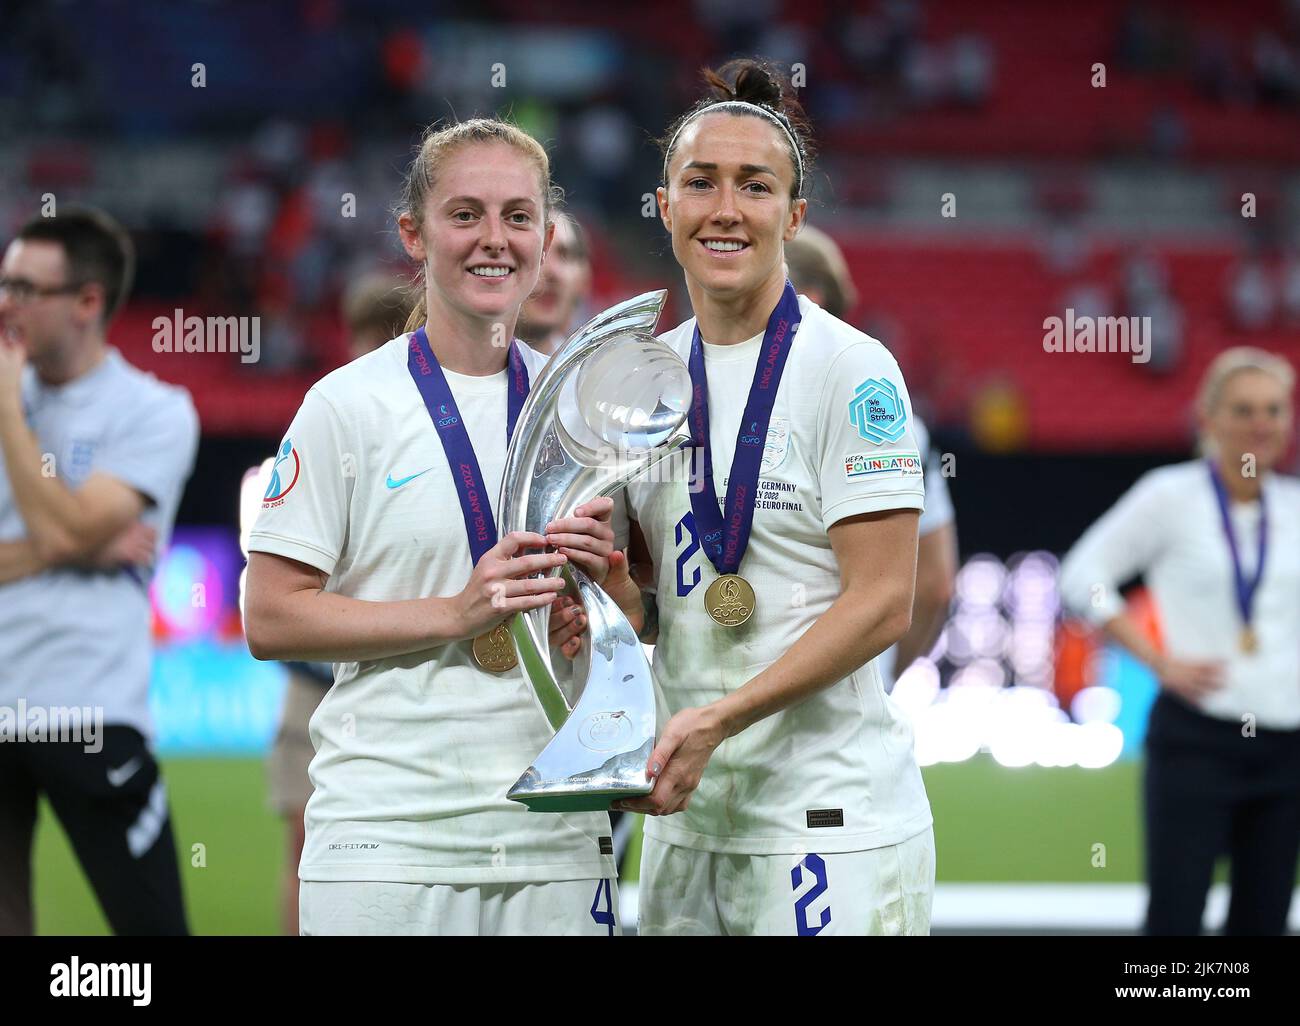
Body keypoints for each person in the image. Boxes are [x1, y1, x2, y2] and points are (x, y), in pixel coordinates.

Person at [243, 118, 620, 936]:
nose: (495, 240)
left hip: (552, 831)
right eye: (466, 214)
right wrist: (457, 612)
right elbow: (269, 617)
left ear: (545, 235)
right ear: (414, 234)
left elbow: (626, 614)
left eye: (519, 217)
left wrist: (602, 600)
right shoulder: (346, 406)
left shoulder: (586, 408)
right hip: (390, 834)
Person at [604, 59, 935, 935]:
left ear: (793, 215)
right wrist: (609, 597)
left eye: (755, 187)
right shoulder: (643, 379)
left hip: (827, 820)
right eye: (700, 183)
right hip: (685, 822)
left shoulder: (851, 369)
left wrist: (720, 719)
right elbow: (657, 605)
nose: (725, 209)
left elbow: (882, 602)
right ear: (665, 205)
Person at [0, 207, 199, 935]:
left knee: (150, 943)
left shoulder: (155, 410)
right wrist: (82, 542)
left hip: (90, 714)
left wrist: (7, 409)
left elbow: (60, 526)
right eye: (3, 282)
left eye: (25, 288)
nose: (5, 303)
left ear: (87, 302)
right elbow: (72, 532)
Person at [1060, 347, 1300, 936]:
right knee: (1174, 923)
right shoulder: (1171, 496)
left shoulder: (1294, 507)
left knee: (1264, 921)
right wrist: (1156, 660)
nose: (1261, 424)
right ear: (1208, 418)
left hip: (1289, 749)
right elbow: (1080, 578)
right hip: (1197, 738)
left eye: (1274, 409)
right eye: (1243, 409)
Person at [243, 273, 414, 936]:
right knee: (313, 855)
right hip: (325, 674)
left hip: (355, 674)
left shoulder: (377, 419)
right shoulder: (330, 415)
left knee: (320, 857)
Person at [784, 225, 957, 690]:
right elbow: (936, 583)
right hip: (852, 698)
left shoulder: (706, 406)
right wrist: (885, 678)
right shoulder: (904, 426)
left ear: (809, 299)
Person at [516, 212, 592, 358]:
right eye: (538, 252)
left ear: (583, 280)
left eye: (565, 254)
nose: (553, 272)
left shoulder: (591, 377)